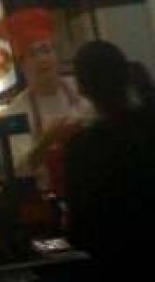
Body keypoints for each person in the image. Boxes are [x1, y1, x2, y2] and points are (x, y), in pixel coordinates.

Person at [64, 40, 155, 279]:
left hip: (117, 264)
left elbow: (80, 231)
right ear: (127, 74)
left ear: (82, 88)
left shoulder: (81, 148)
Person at [5, 8, 92, 189]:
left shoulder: (82, 87)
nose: (42, 59)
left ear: (56, 55)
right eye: (33, 54)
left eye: (46, 50)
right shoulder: (15, 111)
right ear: (22, 65)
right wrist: (47, 140)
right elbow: (20, 169)